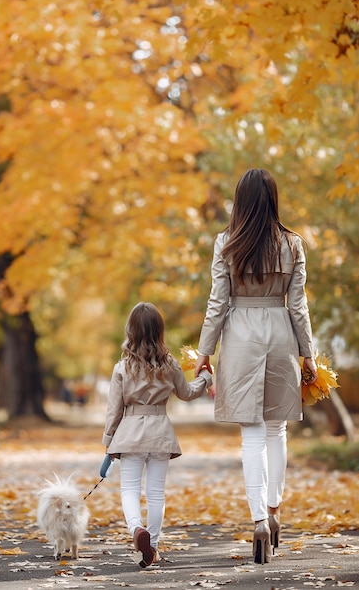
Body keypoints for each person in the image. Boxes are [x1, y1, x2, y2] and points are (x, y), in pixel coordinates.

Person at [194, 168, 317, 565]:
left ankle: (258, 520)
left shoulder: (225, 243)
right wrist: (308, 353)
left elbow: (218, 302)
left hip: (242, 337)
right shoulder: (293, 244)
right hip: (281, 334)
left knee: (251, 432)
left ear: (241, 201)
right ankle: (275, 509)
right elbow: (298, 306)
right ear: (273, 199)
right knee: (276, 428)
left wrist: (204, 351)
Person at [102, 302, 212, 568]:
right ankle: (152, 546)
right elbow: (187, 393)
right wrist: (206, 379)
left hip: (130, 434)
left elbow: (114, 411)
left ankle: (137, 529)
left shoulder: (122, 368)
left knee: (129, 489)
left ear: (131, 331)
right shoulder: (169, 364)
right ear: (159, 331)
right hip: (160, 432)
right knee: (155, 493)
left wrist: (108, 445)